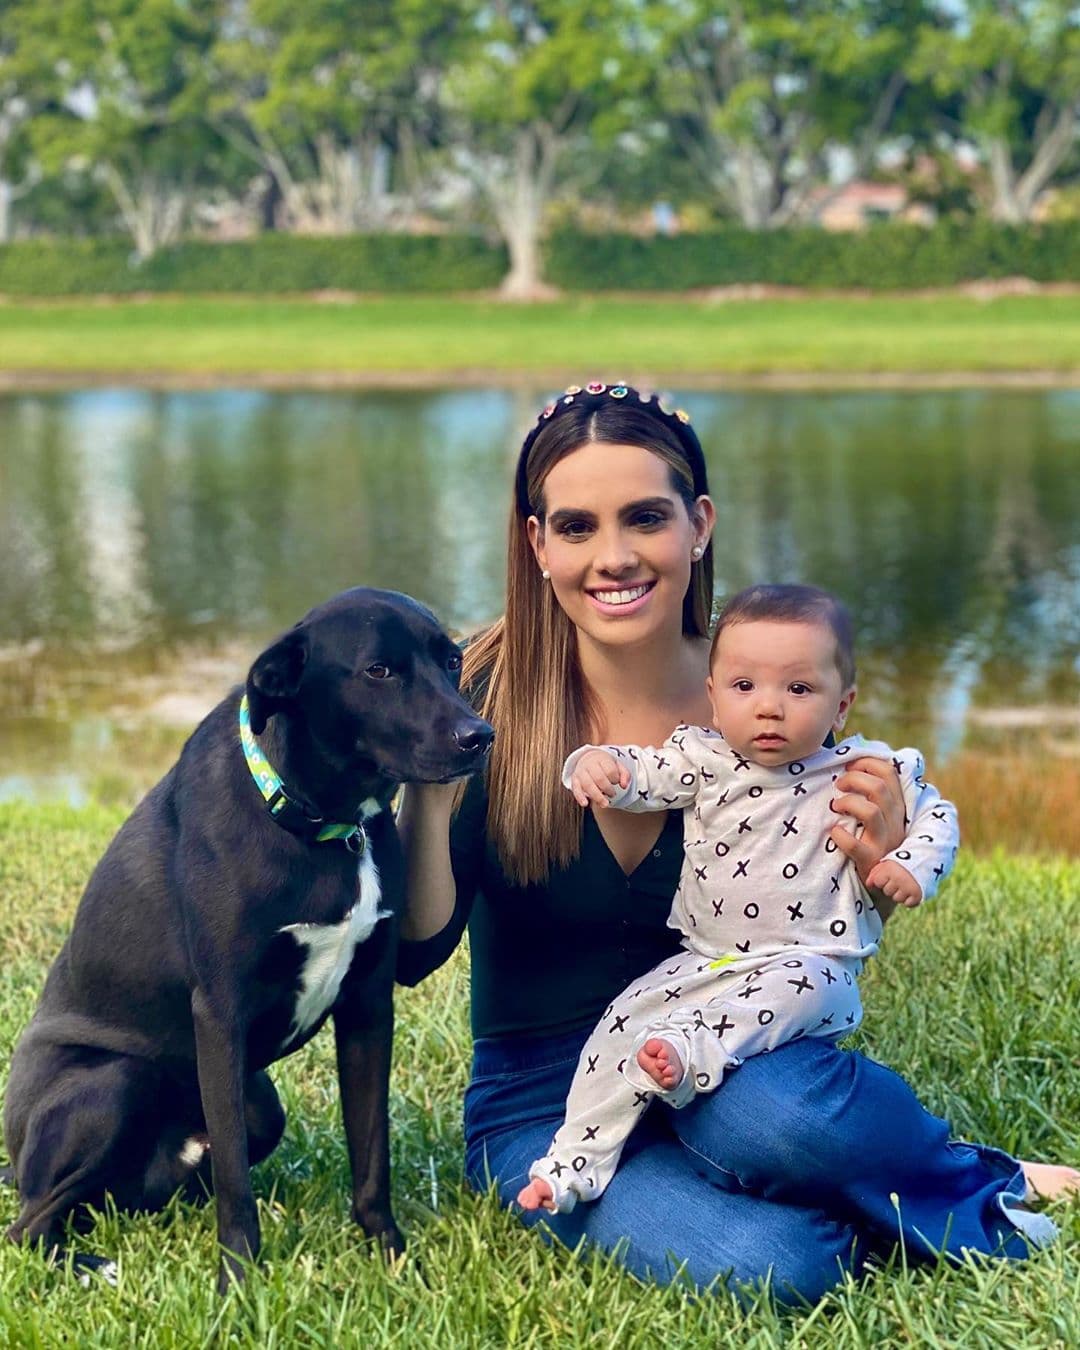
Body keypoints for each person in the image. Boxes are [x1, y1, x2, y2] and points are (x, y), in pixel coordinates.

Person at [396, 382, 1076, 1300]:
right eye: (576, 526)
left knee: (789, 1124)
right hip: (546, 1093)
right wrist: (426, 800)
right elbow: (415, 952)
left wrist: (880, 863)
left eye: (646, 518)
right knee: (783, 1267)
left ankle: (954, 1179)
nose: (615, 556)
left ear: (699, 523)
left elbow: (822, 915)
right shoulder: (478, 693)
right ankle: (875, 1200)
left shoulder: (763, 684)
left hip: (728, 1042)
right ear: (536, 543)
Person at [517, 582, 960, 1215]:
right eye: (745, 687)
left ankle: (694, 1051)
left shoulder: (865, 767)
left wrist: (911, 866)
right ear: (714, 695)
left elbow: (937, 816)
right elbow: (641, 774)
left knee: (795, 990)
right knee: (621, 1022)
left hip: (812, 964)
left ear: (843, 705)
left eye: (799, 689)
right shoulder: (706, 758)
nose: (770, 709)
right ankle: (572, 1166)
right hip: (709, 961)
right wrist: (596, 765)